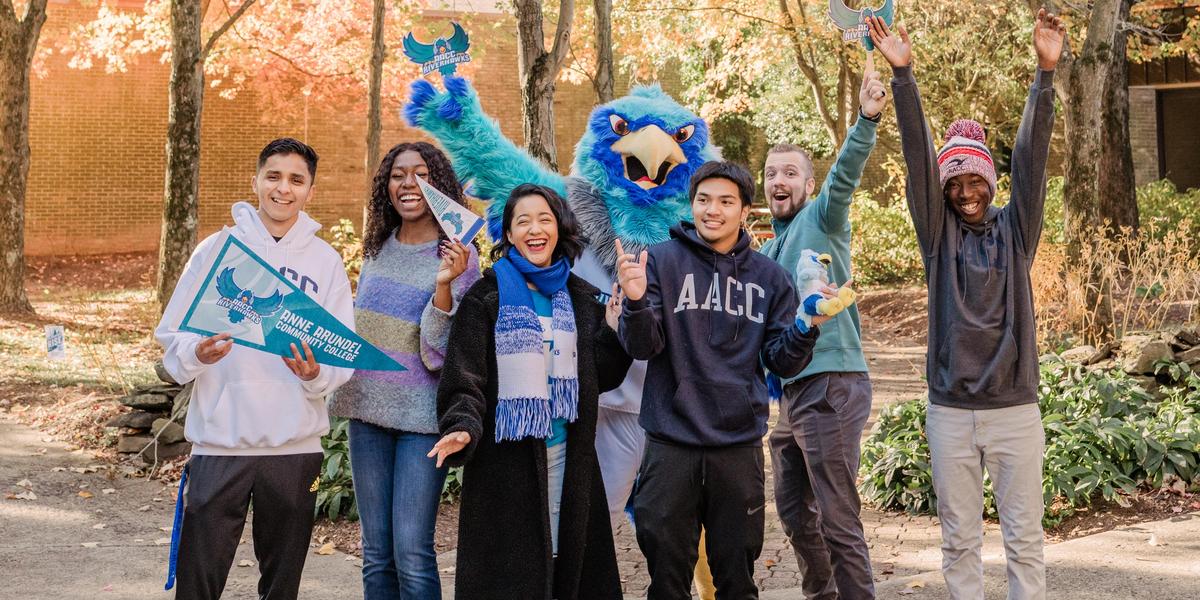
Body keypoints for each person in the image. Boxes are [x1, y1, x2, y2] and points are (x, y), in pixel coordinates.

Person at [868, 11, 1066, 600]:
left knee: (1025, 538)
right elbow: (917, 159)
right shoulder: (938, 235)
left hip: (1014, 409)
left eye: (974, 181)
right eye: (954, 184)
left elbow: (1031, 157)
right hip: (950, 411)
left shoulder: (1016, 230)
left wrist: (1045, 74)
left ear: (990, 182)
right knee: (958, 540)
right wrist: (903, 76)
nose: (965, 192)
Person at [616, 161, 831, 600]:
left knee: (736, 577)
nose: (713, 210)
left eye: (726, 202)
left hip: (736, 447)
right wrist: (635, 301)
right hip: (670, 442)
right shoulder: (659, 261)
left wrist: (806, 324)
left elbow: (781, 361)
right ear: (692, 205)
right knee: (667, 579)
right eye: (703, 200)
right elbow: (642, 346)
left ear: (744, 211)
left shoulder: (771, 278)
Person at [155, 138, 355, 600]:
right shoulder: (216, 250)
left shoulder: (324, 262)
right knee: (198, 581)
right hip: (220, 444)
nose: (283, 189)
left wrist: (314, 375)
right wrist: (196, 354)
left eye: (296, 180)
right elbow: (172, 340)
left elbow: (339, 354)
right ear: (256, 181)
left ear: (310, 190)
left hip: (294, 448)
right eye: (274, 176)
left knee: (282, 585)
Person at [430, 183, 633, 600]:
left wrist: (613, 328)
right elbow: (465, 377)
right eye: (523, 221)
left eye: (544, 219)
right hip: (506, 468)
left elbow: (603, 376)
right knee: (513, 578)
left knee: (569, 570)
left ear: (560, 228)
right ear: (507, 234)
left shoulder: (580, 298)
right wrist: (462, 425)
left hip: (570, 459)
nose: (535, 229)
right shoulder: (485, 298)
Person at [759, 63, 890, 599]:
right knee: (793, 512)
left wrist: (866, 120)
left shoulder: (822, 218)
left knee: (837, 516)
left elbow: (846, 175)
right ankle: (824, 594)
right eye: (770, 174)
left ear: (807, 184)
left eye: (790, 172)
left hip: (832, 382)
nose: (778, 182)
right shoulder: (769, 249)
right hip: (792, 394)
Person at [328, 141, 480, 599]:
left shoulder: (460, 258)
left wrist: (443, 287)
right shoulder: (376, 248)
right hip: (367, 415)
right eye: (397, 174)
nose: (408, 183)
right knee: (376, 553)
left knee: (412, 552)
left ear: (439, 185)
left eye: (421, 173)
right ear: (386, 186)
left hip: (421, 422)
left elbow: (441, 355)